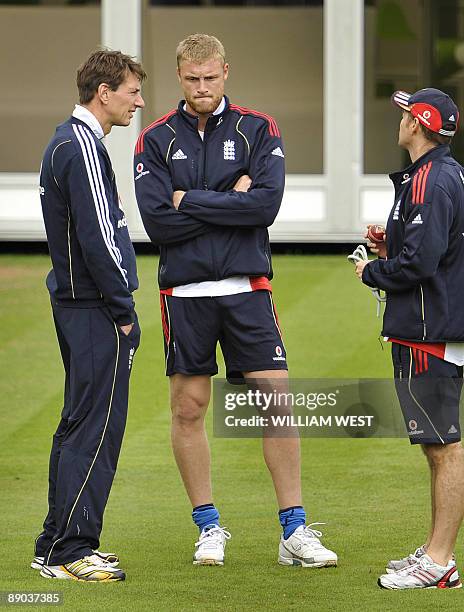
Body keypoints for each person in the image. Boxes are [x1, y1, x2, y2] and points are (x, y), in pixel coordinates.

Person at [134, 33, 337, 567]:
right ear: (180, 77)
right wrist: (232, 197)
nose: (202, 88)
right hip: (185, 292)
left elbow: (265, 208)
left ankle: (294, 531)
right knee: (189, 408)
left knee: (277, 402)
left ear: (227, 71)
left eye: (211, 77)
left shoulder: (258, 128)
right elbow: (158, 222)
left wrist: (191, 200)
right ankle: (208, 527)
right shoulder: (154, 138)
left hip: (248, 289)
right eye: (192, 79)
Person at [34, 49, 145, 582]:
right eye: (132, 91)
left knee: (77, 425)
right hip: (95, 310)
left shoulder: (64, 141)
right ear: (104, 92)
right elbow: (101, 238)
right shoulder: (81, 147)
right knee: (95, 429)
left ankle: (53, 543)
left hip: (75, 304)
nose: (138, 102)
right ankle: (72, 550)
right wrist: (124, 309)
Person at [355, 87, 464, 590]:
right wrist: (391, 238)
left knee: (444, 446)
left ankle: (440, 561)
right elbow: (433, 245)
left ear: (417, 124)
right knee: (436, 444)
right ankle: (435, 549)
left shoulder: (430, 180)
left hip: (430, 330)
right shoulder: (436, 175)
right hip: (432, 327)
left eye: (405, 114)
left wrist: (372, 271)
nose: (398, 120)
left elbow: (422, 263)